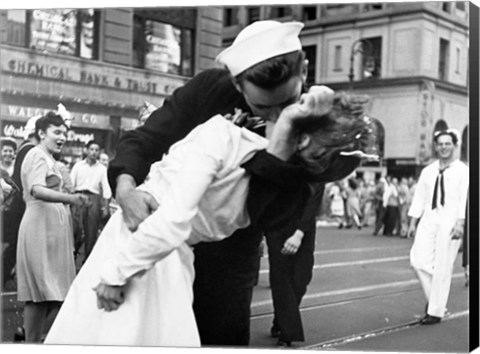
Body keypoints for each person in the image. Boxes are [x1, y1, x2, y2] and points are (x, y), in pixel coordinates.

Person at [45, 89, 375, 346]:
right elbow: (170, 216)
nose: (312, 162)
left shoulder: (287, 183)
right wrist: (117, 274)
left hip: (170, 256)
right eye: (316, 152)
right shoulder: (224, 135)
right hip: (144, 244)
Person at [104, 20, 311, 346]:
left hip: (231, 259)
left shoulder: (314, 119)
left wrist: (284, 151)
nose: (274, 118)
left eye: (285, 104)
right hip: (163, 252)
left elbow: (288, 205)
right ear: (238, 85)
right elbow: (147, 137)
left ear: (305, 72)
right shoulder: (208, 89)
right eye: (262, 107)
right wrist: (126, 187)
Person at [16, 113, 89, 342]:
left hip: (49, 230)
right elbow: (36, 189)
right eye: (56, 132)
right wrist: (70, 199)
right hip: (40, 228)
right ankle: (31, 340)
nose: (62, 137)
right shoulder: (37, 155)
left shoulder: (48, 158)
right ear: (41, 133)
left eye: (64, 133)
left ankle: (32, 339)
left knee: (47, 295)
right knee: (42, 294)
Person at [407, 129, 469, 325]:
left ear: (455, 145)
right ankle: (436, 301)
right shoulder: (428, 171)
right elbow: (420, 197)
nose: (444, 147)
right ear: (436, 146)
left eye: (447, 143)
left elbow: (464, 200)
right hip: (429, 219)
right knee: (417, 261)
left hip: (450, 221)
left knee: (443, 267)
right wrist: (412, 221)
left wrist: (461, 222)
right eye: (440, 144)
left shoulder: (463, 171)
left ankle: (435, 311)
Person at [266, 183, 325, 347]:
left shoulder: (315, 164)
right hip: (277, 224)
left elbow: (314, 200)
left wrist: (299, 233)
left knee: (302, 277)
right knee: (281, 277)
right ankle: (287, 333)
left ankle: (281, 319)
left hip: (304, 227)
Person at [70, 140, 112, 261]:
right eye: (91, 149)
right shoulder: (78, 166)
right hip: (78, 196)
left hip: (94, 199)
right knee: (76, 229)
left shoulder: (102, 169)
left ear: (99, 152)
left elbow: (106, 189)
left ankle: (86, 263)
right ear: (86, 150)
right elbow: (71, 184)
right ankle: (72, 259)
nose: (94, 152)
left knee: (91, 231)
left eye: (96, 150)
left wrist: (105, 207)